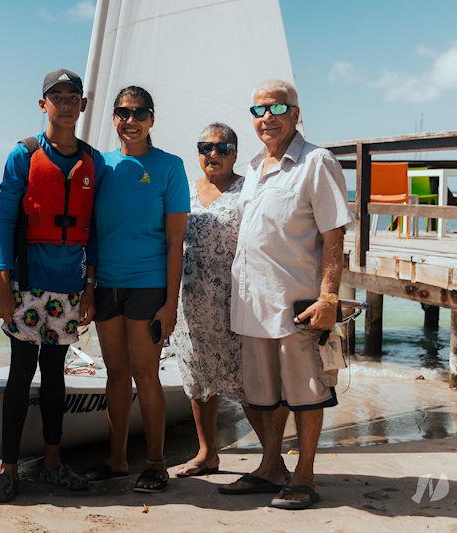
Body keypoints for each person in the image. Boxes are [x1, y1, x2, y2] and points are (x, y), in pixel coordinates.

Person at [219, 79, 351, 510]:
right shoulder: (255, 167)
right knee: (262, 394)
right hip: (252, 303)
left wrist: (329, 297)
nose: (266, 118)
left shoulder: (317, 162)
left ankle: (306, 474)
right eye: (258, 111)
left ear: (296, 113)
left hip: (298, 303)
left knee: (306, 393)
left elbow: (335, 234)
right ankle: (271, 466)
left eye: (276, 108)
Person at [0, 68, 104, 502]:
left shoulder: (95, 161)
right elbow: (6, 222)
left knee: (56, 375)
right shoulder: (24, 155)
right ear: (43, 105)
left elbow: (95, 231)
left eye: (73, 96)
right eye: (57, 96)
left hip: (70, 285)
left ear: (83, 105)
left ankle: (53, 462)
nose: (66, 102)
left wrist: (91, 286)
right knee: (21, 373)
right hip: (27, 285)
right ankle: (8, 469)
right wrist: (2, 283)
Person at [84, 86, 189, 493]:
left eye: (139, 113)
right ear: (114, 118)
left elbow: (175, 243)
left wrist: (171, 304)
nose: (130, 120)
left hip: (148, 284)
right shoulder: (100, 164)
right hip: (107, 283)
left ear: (151, 119)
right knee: (115, 374)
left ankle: (157, 463)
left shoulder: (169, 167)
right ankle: (116, 460)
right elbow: (91, 232)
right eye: (123, 113)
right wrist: (90, 286)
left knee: (146, 373)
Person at [168, 123, 247, 477]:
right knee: (197, 379)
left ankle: (272, 460)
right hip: (190, 300)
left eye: (221, 147)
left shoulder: (249, 190)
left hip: (236, 300)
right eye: (205, 147)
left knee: (248, 380)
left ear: (235, 152)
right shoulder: (182, 192)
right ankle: (206, 452)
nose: (212, 154)